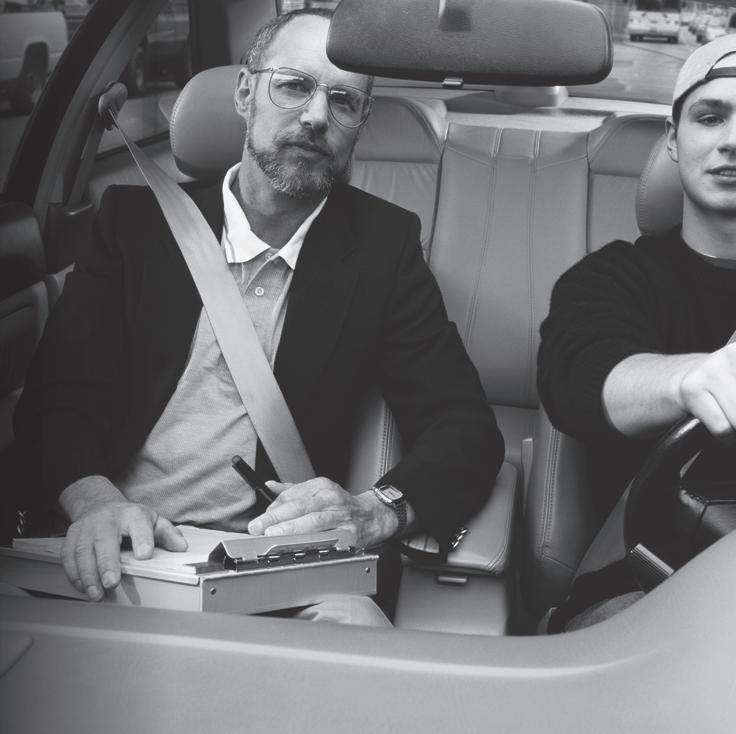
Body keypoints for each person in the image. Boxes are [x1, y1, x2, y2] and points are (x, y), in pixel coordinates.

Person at [13, 9, 504, 622]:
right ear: (246, 93)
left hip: (270, 577)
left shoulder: (383, 249)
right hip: (114, 554)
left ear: (360, 124)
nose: (317, 116)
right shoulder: (135, 224)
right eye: (294, 86)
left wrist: (374, 510)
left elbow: (464, 427)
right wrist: (93, 502)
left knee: (357, 630)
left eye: (344, 101)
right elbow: (55, 398)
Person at [538, 33, 736, 521]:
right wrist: (690, 381)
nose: (733, 141)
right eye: (710, 118)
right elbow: (583, 378)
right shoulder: (608, 278)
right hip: (658, 560)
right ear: (673, 138)